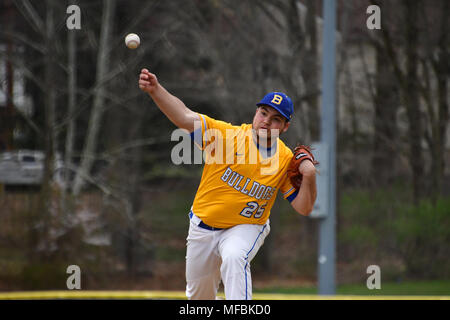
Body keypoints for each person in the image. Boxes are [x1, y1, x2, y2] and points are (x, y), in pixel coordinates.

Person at [139, 68, 317, 300]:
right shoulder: (226, 137)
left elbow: (304, 207)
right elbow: (184, 116)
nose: (266, 122)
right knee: (199, 300)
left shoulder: (285, 160)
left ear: (285, 127)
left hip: (246, 226)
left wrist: (310, 175)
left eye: (276, 120)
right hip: (203, 227)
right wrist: (156, 90)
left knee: (235, 257)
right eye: (264, 113)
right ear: (256, 112)